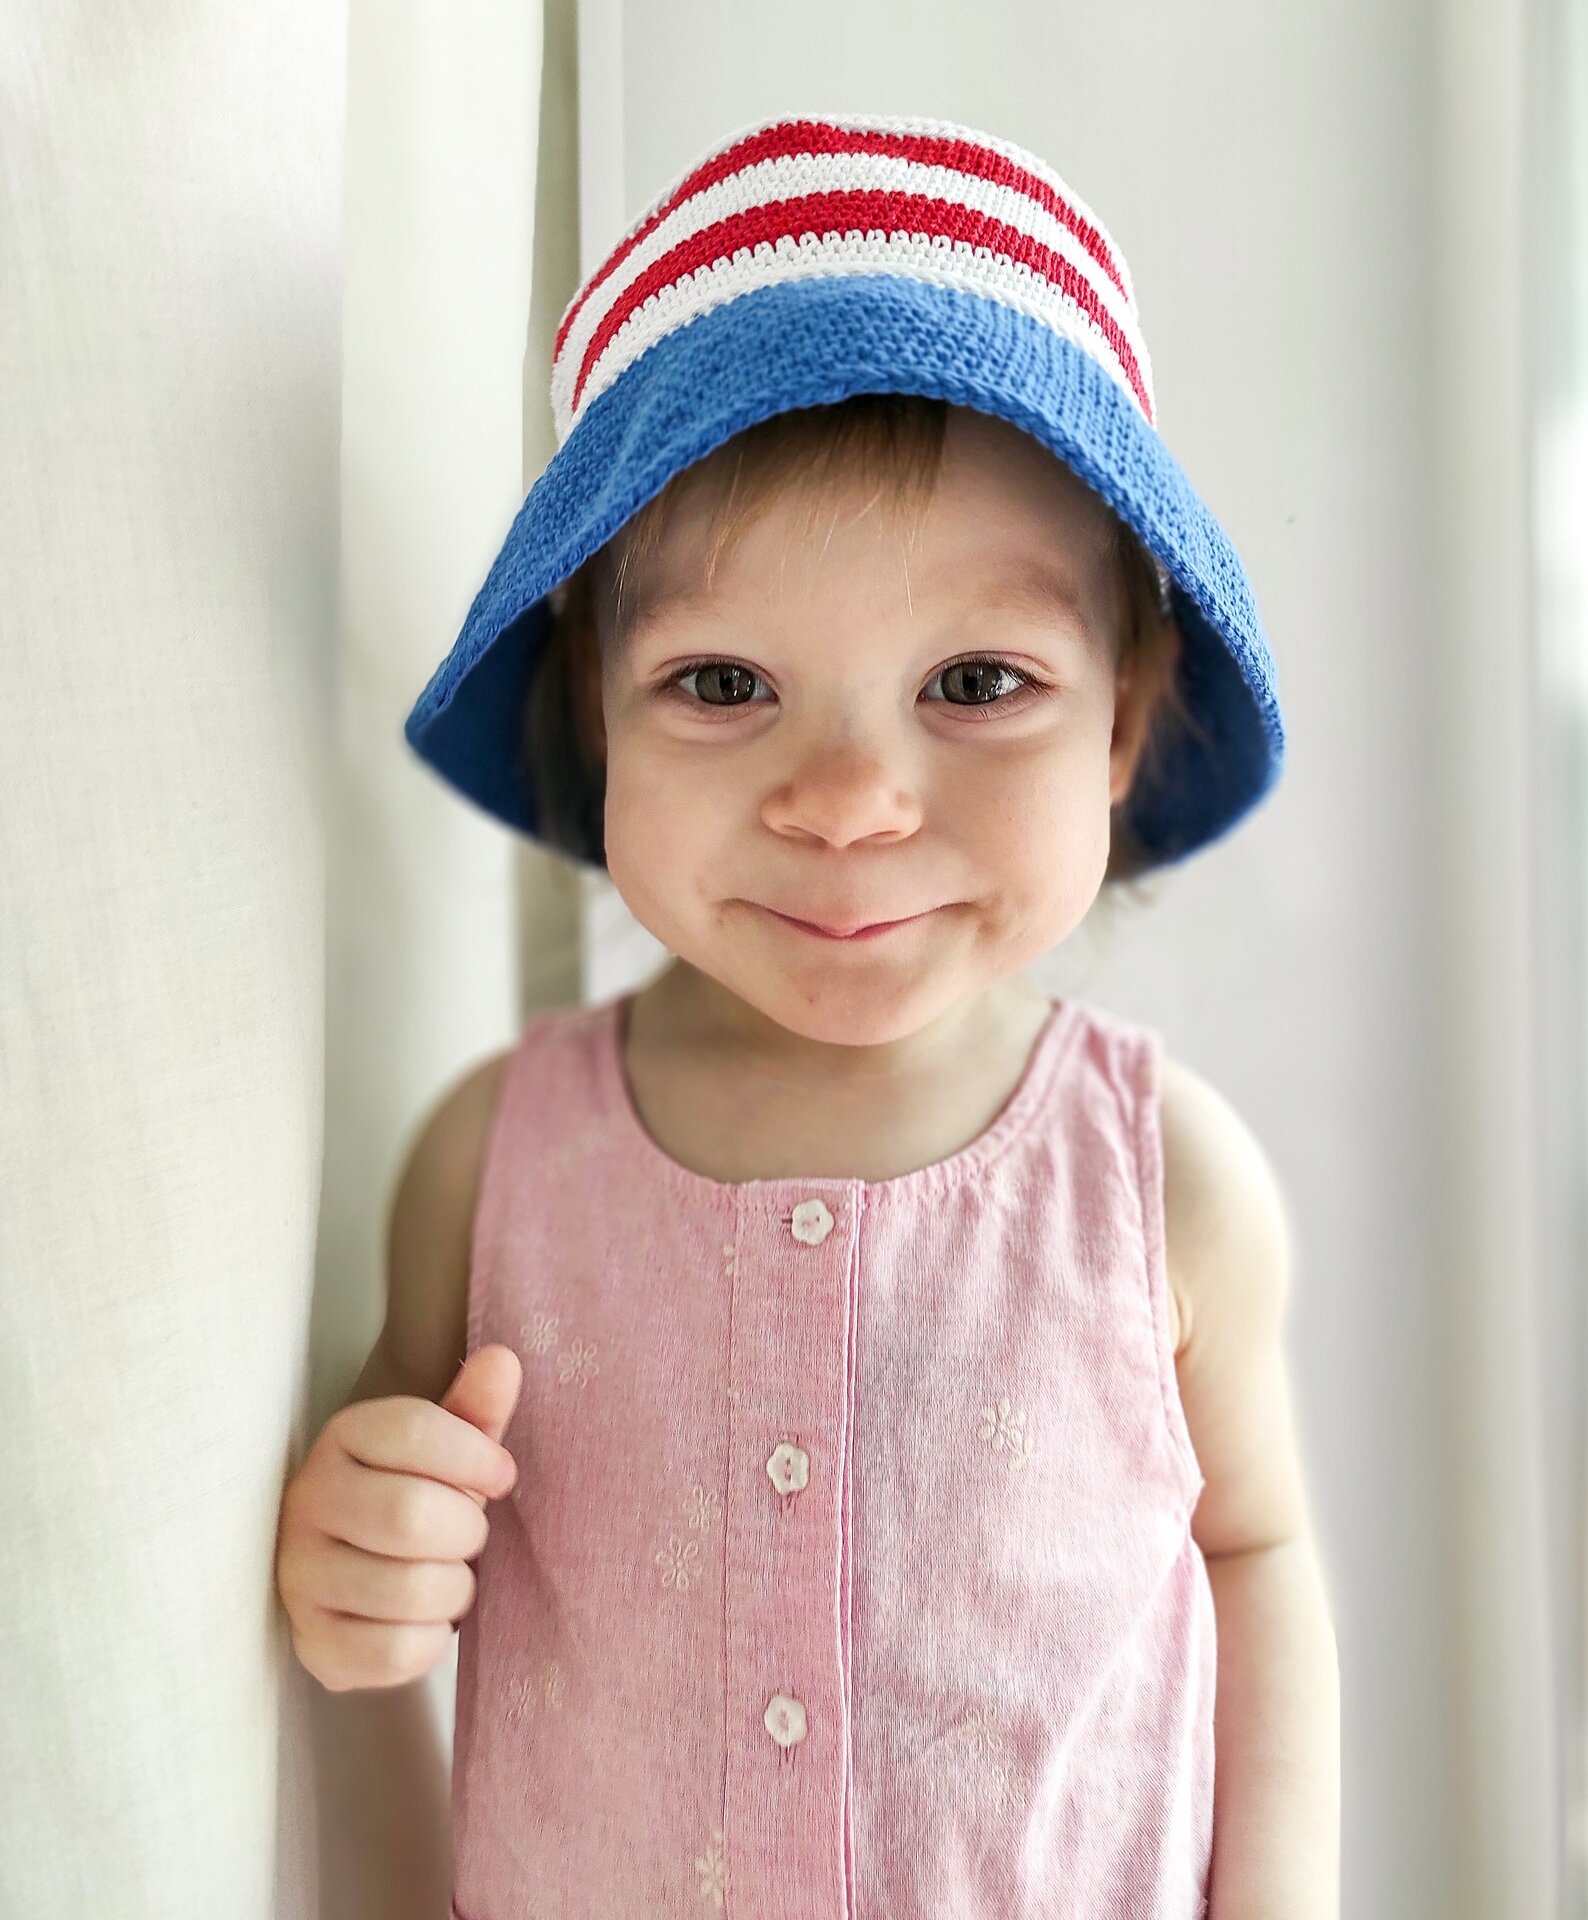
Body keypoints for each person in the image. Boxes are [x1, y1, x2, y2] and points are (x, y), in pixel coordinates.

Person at [275, 113, 1341, 1917]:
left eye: (979, 681)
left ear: (1125, 724)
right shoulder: (495, 1159)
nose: (848, 796)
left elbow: (1254, 1545)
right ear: (596, 718)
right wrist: (352, 1554)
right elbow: (396, 1546)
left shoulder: (1164, 1180)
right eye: (722, 682)